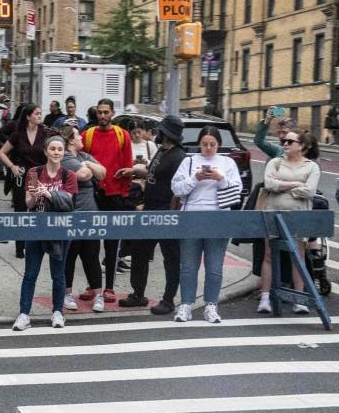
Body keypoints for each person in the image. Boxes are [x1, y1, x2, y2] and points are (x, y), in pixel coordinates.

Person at [171, 125, 242, 323]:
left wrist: (220, 178)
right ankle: (186, 305)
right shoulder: (189, 161)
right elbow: (176, 188)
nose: (208, 148)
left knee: (214, 267)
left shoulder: (227, 162)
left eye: (213, 144)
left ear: (219, 145)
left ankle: (211, 305)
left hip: (218, 218)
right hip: (192, 217)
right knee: (188, 266)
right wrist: (195, 178)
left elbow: (237, 191)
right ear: (199, 144)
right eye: (204, 144)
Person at [116, 116, 186, 314]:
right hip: (149, 210)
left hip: (167, 213)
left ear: (167, 133)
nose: (156, 133)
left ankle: (168, 300)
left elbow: (179, 191)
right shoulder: (162, 151)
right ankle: (138, 295)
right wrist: (133, 171)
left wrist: (173, 215)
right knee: (139, 252)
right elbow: (152, 173)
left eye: (160, 130)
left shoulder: (179, 157)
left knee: (170, 257)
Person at [13, 136, 79, 331]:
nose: (56, 152)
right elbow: (28, 204)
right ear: (46, 151)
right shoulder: (34, 172)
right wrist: (36, 194)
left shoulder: (69, 176)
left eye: (60, 149)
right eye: (53, 149)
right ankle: (24, 314)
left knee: (58, 274)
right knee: (30, 273)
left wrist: (49, 194)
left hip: (59, 230)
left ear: (64, 151)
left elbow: (69, 203)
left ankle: (58, 312)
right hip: (35, 228)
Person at [257, 129, 321, 314]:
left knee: (298, 256)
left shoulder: (311, 167)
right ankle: (265, 298)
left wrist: (282, 186)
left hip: (299, 216)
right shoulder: (275, 162)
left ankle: (298, 299)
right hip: (273, 213)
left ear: (301, 146)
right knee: (268, 255)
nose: (284, 144)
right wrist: (295, 185)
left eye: (289, 142)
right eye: (284, 141)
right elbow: (269, 184)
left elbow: (309, 191)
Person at [81, 99, 133, 303]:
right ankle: (93, 285)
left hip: (115, 196)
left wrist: (125, 194)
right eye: (99, 112)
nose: (102, 116)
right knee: (90, 245)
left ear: (112, 113)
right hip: (93, 196)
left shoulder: (123, 135)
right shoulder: (88, 134)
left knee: (112, 245)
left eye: (106, 112)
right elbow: (79, 160)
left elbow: (128, 165)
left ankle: (109, 287)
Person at [58, 126, 107, 313]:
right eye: (78, 135)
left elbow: (102, 173)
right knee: (69, 256)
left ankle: (98, 295)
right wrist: (88, 167)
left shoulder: (83, 157)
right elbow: (84, 175)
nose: (81, 137)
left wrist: (88, 164)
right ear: (70, 140)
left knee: (91, 255)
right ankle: (67, 293)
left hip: (90, 214)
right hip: (72, 215)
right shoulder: (66, 158)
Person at [0, 104, 50, 259]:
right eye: (36, 113)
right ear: (28, 116)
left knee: (37, 208)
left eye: (41, 113)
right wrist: (12, 166)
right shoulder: (18, 134)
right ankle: (20, 247)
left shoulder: (45, 133)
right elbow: (2, 152)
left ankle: (36, 244)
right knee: (20, 210)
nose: (40, 116)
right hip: (21, 174)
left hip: (37, 174)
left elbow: (51, 153)